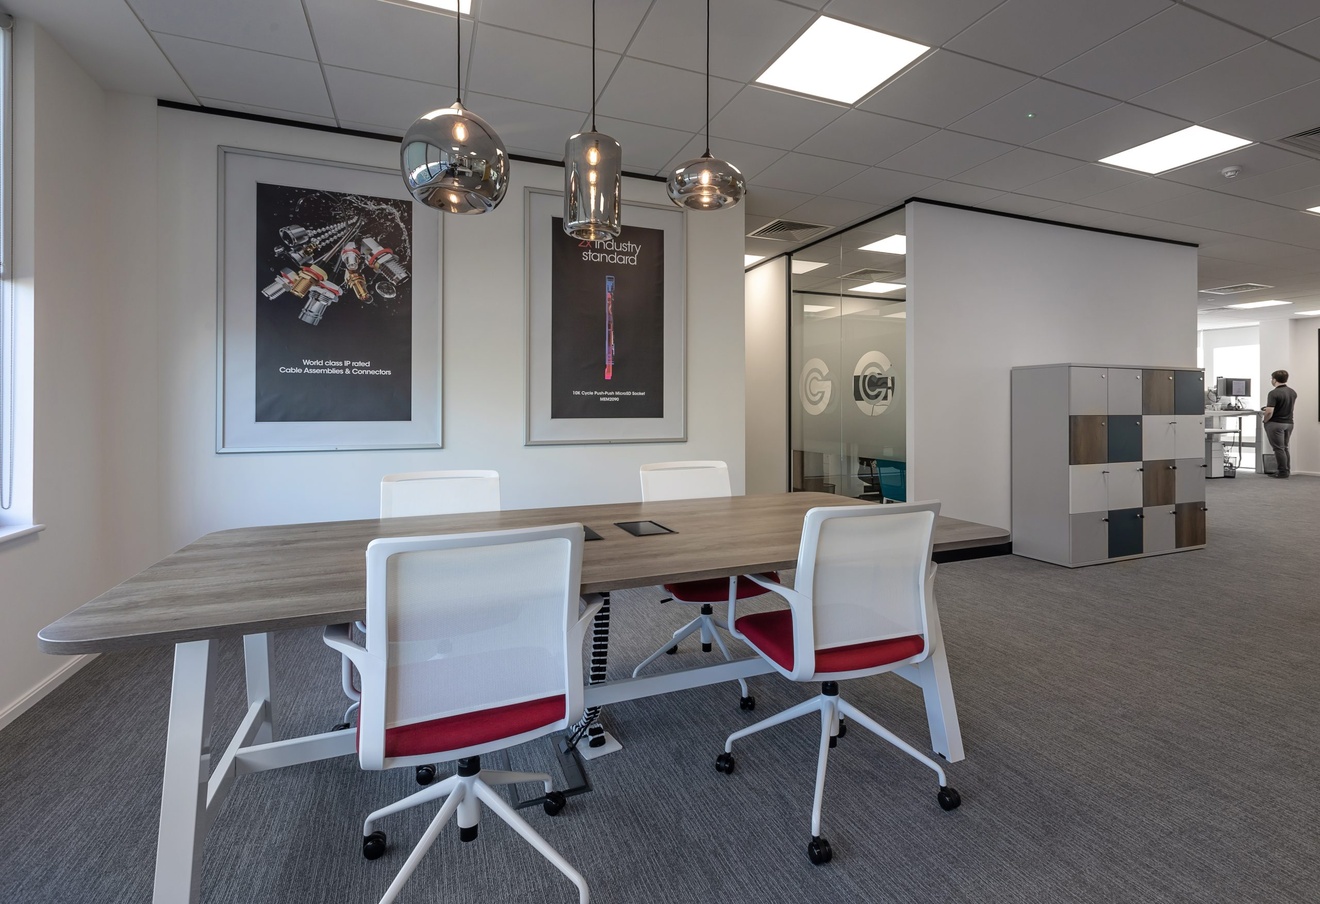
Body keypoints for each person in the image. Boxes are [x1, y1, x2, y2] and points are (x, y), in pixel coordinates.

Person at [1262, 369, 1297, 478]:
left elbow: (1269, 412)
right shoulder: (1292, 392)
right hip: (1289, 423)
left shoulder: (1274, 393)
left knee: (1278, 448)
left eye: (1272, 379)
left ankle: (1282, 472)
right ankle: (1286, 470)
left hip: (1276, 423)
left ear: (1274, 379)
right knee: (1284, 447)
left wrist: (1265, 420)